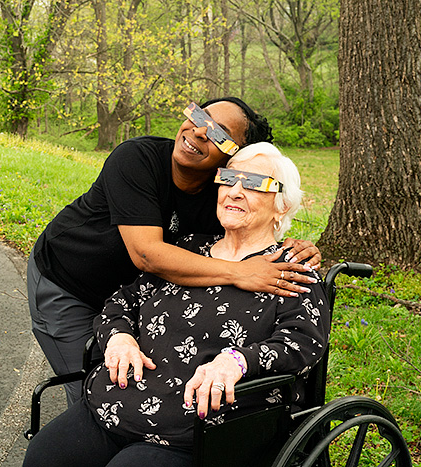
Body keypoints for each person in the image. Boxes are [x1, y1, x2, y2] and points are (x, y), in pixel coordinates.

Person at [23, 142, 329, 467]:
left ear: (282, 205)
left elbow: (303, 341)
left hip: (199, 427)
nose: (235, 191)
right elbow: (121, 303)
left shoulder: (291, 267)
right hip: (118, 404)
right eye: (229, 178)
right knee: (45, 454)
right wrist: (119, 338)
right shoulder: (189, 248)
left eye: (254, 183)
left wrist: (238, 361)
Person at [27, 98, 321, 405]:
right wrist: (240, 272)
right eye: (198, 116)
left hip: (129, 291)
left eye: (220, 134)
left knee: (139, 385)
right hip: (68, 282)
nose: (199, 132)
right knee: (95, 389)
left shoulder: (223, 190)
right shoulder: (136, 158)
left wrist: (293, 245)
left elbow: (253, 224)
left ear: (234, 157)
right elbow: (147, 255)